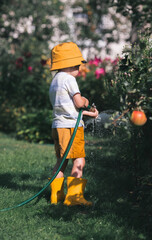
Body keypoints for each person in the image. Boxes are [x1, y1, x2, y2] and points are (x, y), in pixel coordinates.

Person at [49, 42, 99, 206]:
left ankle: (56, 196)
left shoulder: (55, 80)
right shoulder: (69, 79)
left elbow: (67, 108)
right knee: (79, 160)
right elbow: (78, 103)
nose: (79, 67)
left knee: (61, 161)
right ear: (69, 63)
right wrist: (85, 101)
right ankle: (74, 197)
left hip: (58, 126)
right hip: (71, 127)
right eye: (78, 64)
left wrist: (88, 114)